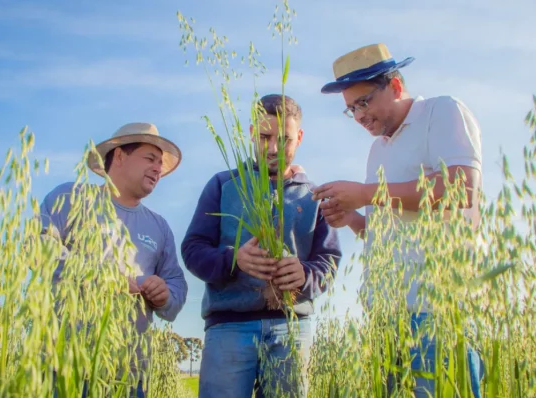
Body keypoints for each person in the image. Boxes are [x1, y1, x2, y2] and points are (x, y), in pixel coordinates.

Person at [312, 43, 485, 397]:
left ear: (394, 86)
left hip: (435, 307)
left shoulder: (442, 111)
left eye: (364, 102)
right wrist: (353, 219)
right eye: (350, 109)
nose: (359, 116)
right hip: (385, 314)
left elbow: (461, 188)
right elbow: (387, 230)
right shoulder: (378, 149)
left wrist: (365, 193)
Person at [181, 94, 343, 398]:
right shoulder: (222, 184)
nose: (273, 148)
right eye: (265, 136)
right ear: (252, 133)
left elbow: (329, 259)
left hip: (293, 329)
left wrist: (305, 275)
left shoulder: (314, 196)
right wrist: (233, 260)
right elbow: (192, 249)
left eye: (284, 139)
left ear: (300, 137)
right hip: (227, 328)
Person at [39, 122, 189, 398]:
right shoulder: (70, 198)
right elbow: (41, 251)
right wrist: (119, 282)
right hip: (64, 364)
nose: (158, 168)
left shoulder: (160, 227)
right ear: (119, 156)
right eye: (150, 159)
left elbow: (176, 287)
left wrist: (164, 295)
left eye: (160, 163)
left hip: (129, 375)